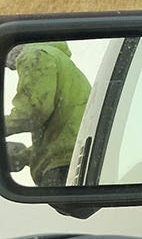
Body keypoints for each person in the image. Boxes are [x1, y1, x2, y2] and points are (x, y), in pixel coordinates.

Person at [4, 41, 90, 187]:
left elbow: (32, 113)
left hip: (63, 166)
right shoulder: (59, 60)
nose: (8, 67)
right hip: (78, 158)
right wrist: (24, 156)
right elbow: (66, 132)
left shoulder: (34, 56)